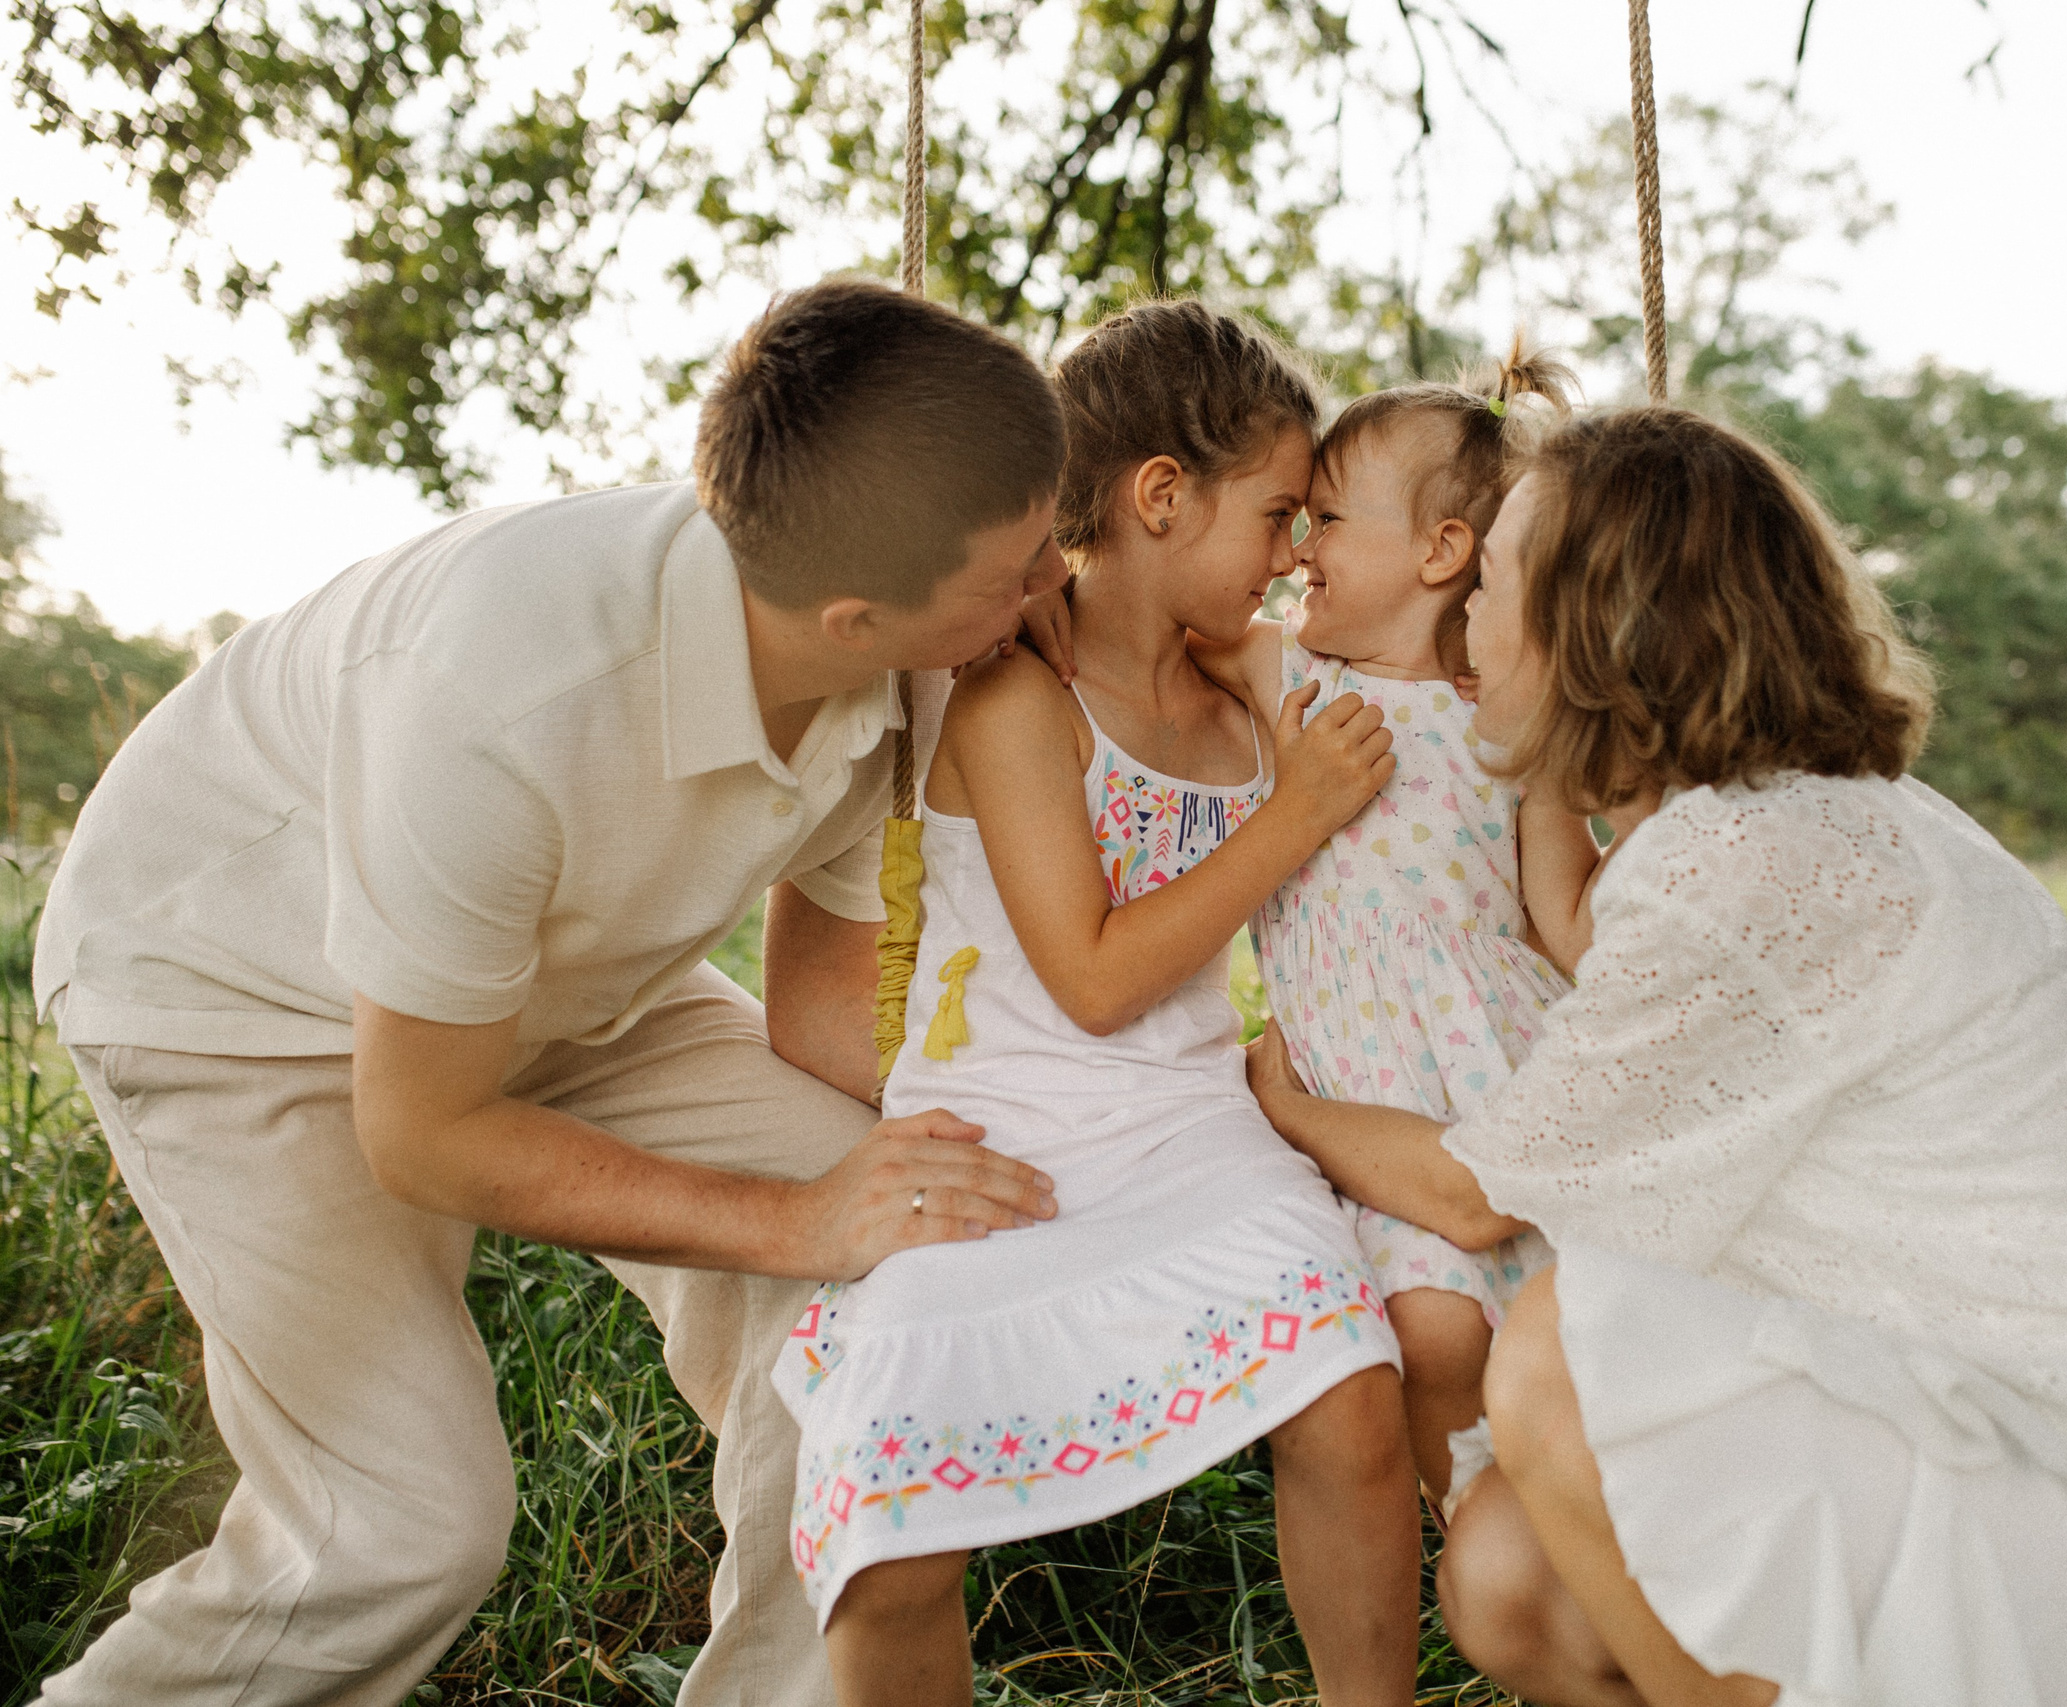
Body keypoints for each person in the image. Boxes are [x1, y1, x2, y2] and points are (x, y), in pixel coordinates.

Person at [1247, 404, 2067, 1706]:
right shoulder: (1814, 818)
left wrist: (1285, 1101)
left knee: (1563, 1345)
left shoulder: (1734, 869)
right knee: (1510, 1566)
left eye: (1496, 585)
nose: (1465, 629)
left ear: (1589, 632)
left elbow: (1477, 1190)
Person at [31, 277, 1075, 1707]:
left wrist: (1041, 1130)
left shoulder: (911, 667)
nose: (1056, 585)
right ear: (854, 611)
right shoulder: (503, 694)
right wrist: (790, 1218)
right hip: (229, 990)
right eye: (1019, 569)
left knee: (897, 1252)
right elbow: (427, 1131)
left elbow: (818, 1004)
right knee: (399, 1526)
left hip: (568, 985)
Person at [773, 300, 1422, 1707]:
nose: (1297, 551)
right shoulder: (1019, 700)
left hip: (1193, 1127)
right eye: (1279, 512)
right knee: (886, 1523)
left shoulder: (1249, 700)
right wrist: (1292, 815)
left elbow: (1432, 684)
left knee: (1352, 1396)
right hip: (996, 1138)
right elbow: (1093, 974)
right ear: (1162, 494)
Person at [1197, 340, 1598, 1502]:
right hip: (1358, 1082)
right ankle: (1461, 1530)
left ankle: (1547, 1525)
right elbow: (1135, 613)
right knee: (1430, 1332)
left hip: (1494, 1062)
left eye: (1324, 519)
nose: (1297, 548)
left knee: (1548, 1322)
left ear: (1441, 551)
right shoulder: (1291, 678)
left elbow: (1560, 909)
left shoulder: (1516, 712)